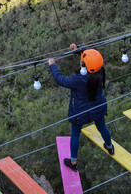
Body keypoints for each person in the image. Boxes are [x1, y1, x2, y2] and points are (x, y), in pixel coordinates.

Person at [48, 44, 114, 172]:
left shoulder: (77, 79)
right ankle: (110, 147)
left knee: (75, 134)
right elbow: (91, 59)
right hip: (98, 108)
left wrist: (52, 65)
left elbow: (60, 79)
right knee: (102, 127)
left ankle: (74, 162)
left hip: (79, 112)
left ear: (84, 64)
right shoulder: (100, 72)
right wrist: (77, 49)